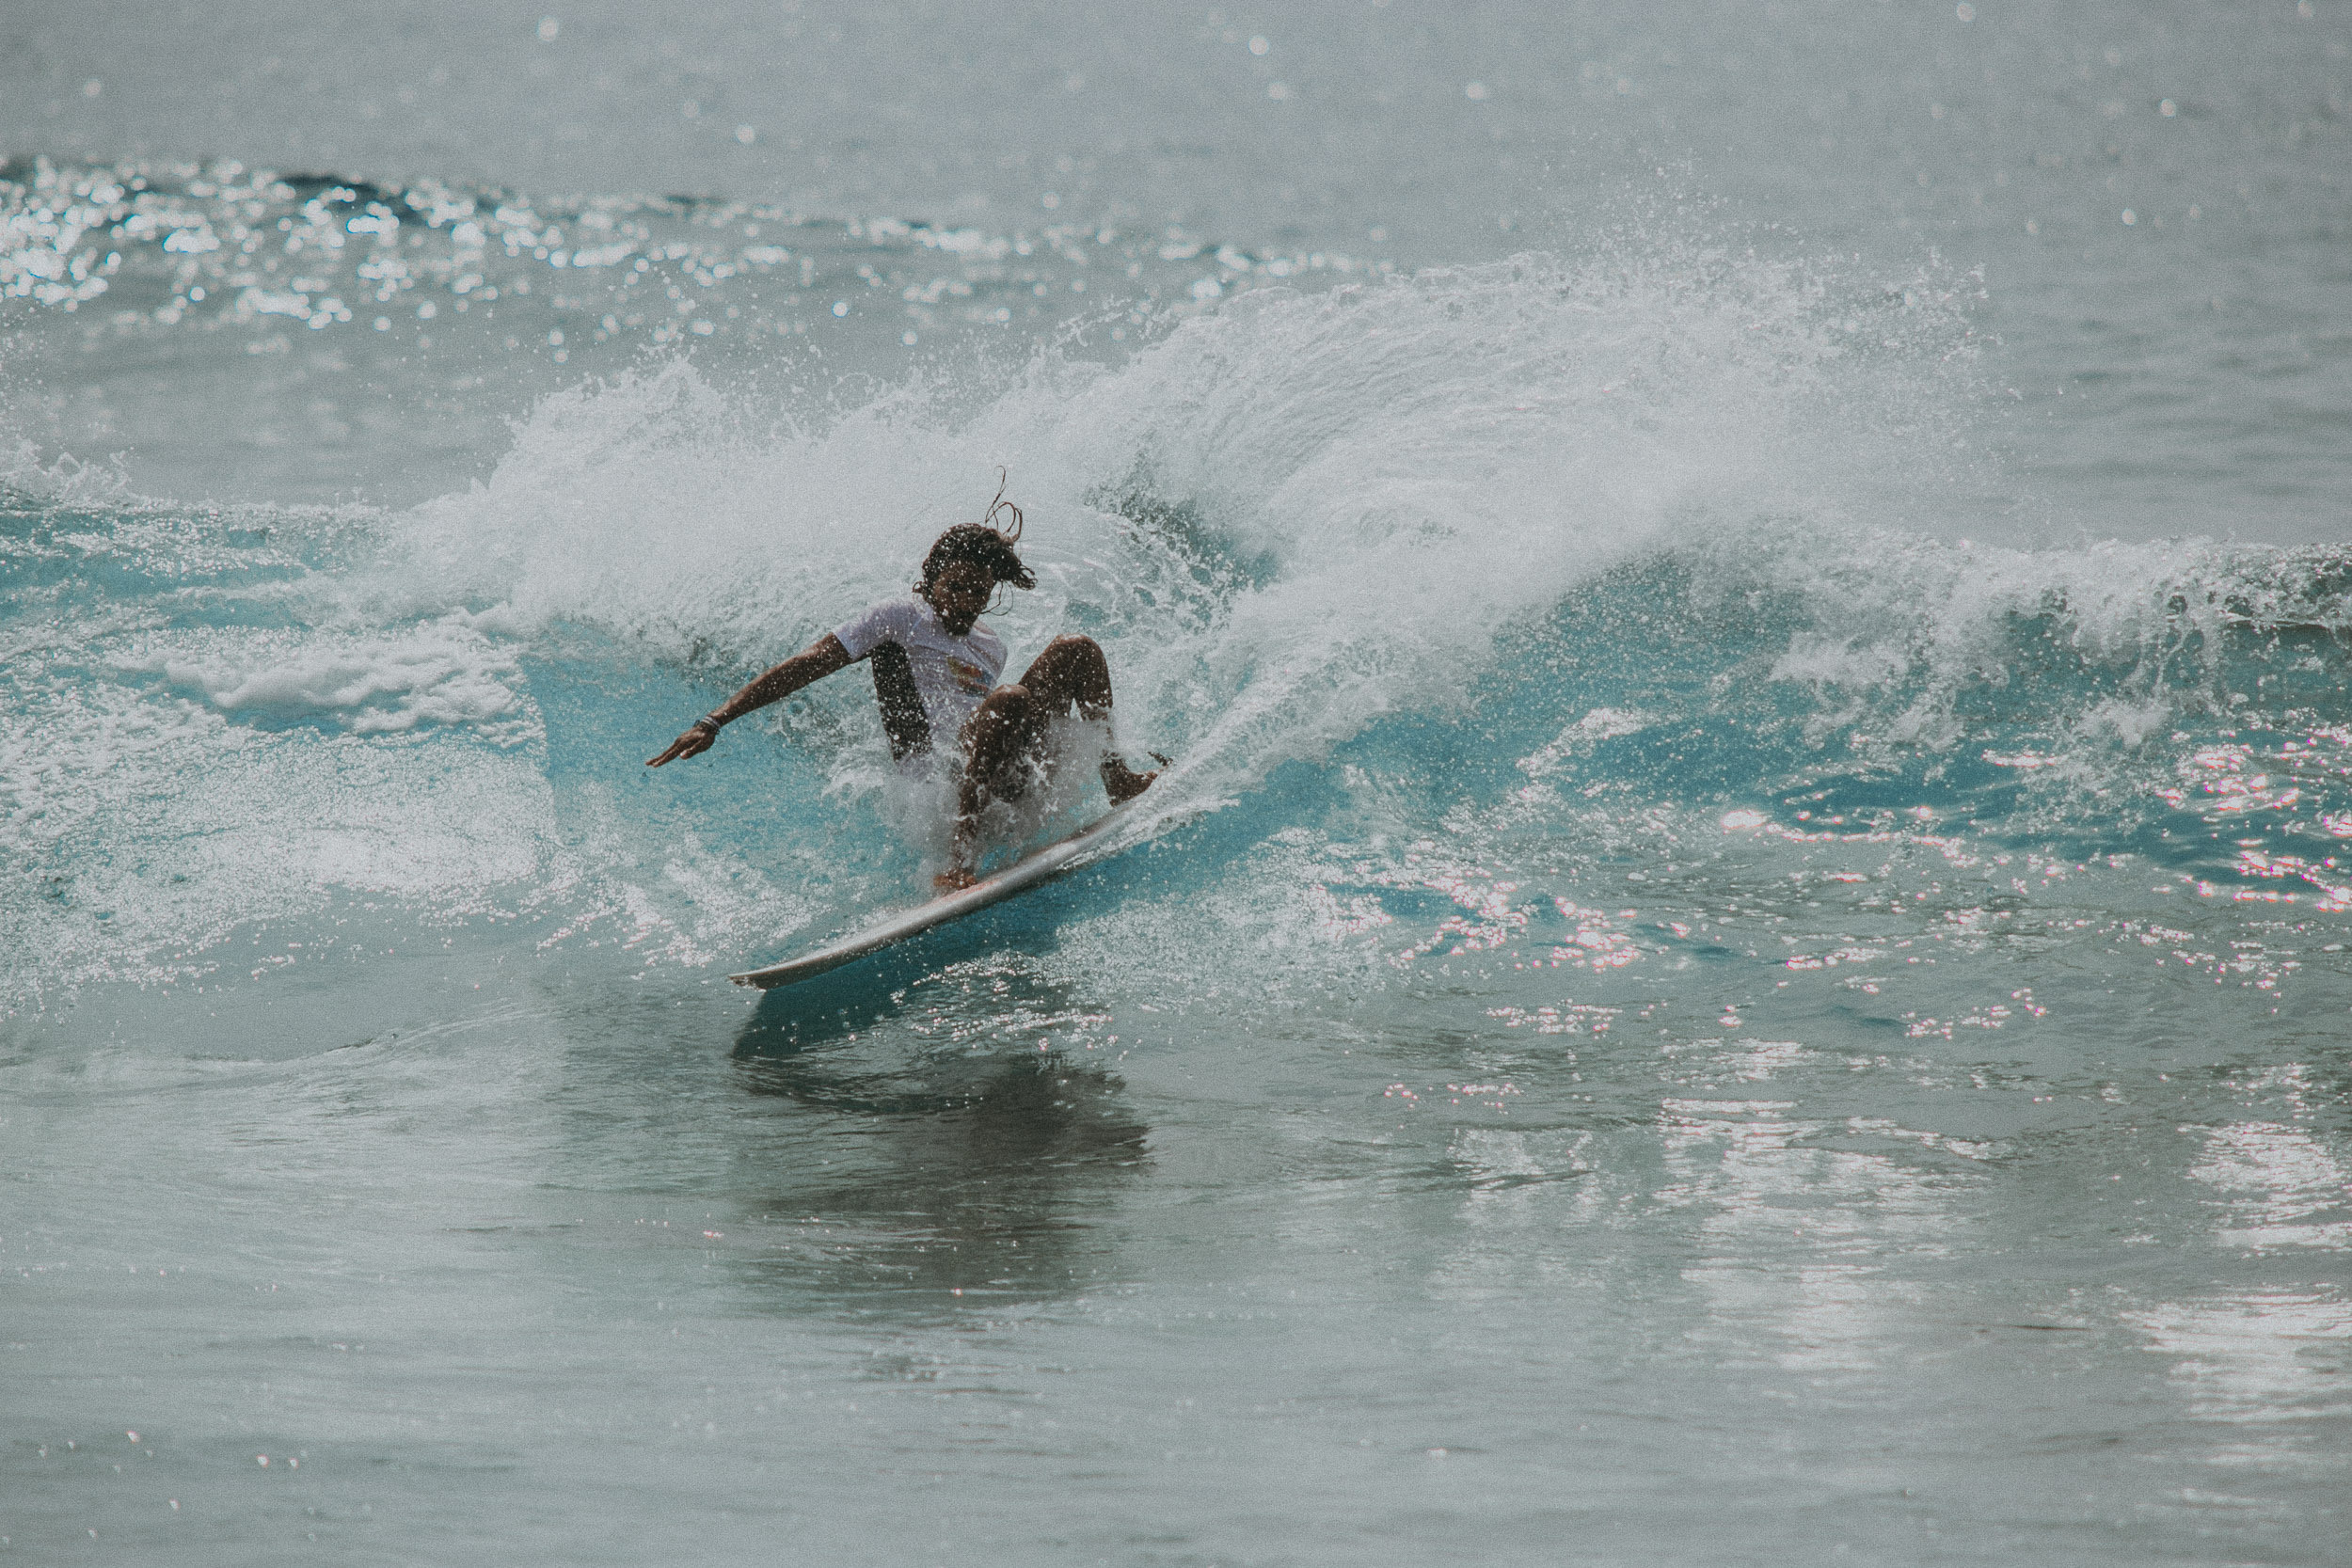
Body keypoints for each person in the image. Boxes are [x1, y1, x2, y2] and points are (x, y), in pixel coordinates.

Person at [645, 489, 1156, 892]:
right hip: (942, 784)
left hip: (1001, 773)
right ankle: (959, 862)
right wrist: (716, 719)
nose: (965, 600)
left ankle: (1118, 780)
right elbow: (809, 664)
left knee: (1078, 648)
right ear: (931, 580)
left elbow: (1001, 716)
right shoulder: (900, 618)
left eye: (977, 591)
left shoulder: (990, 646)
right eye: (954, 587)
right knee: (1010, 701)